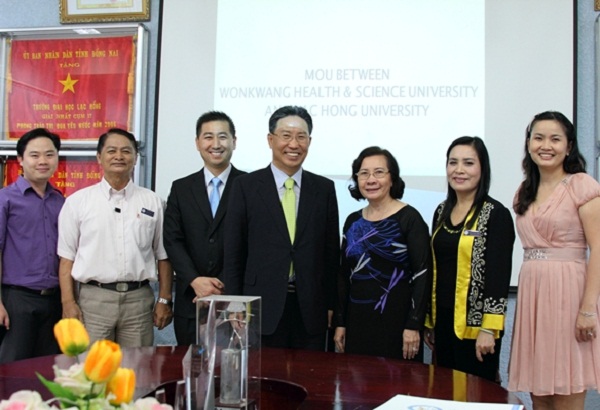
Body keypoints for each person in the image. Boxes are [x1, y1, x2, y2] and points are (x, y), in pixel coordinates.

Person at [223, 105, 340, 351]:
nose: (294, 144)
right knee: (264, 373)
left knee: (312, 372)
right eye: (286, 135)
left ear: (309, 141)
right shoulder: (245, 186)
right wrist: (234, 302)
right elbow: (234, 251)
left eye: (301, 137)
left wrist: (332, 305)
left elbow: (330, 254)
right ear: (270, 139)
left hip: (311, 307)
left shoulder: (324, 189)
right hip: (260, 305)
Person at [508, 111, 600, 409]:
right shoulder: (524, 191)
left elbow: (598, 248)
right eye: (538, 138)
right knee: (540, 398)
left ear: (568, 146)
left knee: (566, 388)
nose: (545, 146)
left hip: (569, 295)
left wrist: (588, 309)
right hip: (534, 296)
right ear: (528, 143)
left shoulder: (581, 185)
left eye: (555, 139)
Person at [57, 128, 173, 347]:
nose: (119, 156)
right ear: (99, 157)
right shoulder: (77, 202)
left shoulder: (153, 202)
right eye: (111, 151)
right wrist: (68, 302)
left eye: (126, 151)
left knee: (138, 366)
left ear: (135, 158)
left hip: (139, 302)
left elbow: (163, 256)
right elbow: (66, 259)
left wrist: (164, 299)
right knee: (93, 366)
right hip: (93, 301)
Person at [424, 136, 515, 382]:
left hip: (476, 327)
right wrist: (429, 320)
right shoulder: (441, 211)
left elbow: (499, 275)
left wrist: (489, 328)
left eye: (468, 163)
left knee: (475, 395)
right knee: (443, 391)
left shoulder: (495, 214)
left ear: (482, 168)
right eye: (453, 162)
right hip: (443, 321)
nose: (459, 170)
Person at [332, 146, 431, 361]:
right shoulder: (352, 221)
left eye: (379, 172)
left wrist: (414, 324)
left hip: (398, 325)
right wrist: (340, 322)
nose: (371, 180)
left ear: (392, 178)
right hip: (357, 322)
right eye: (363, 173)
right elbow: (343, 275)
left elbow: (422, 274)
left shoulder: (410, 219)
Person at [164, 111, 245, 345]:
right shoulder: (181, 188)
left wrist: (222, 285)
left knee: (233, 365)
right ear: (198, 143)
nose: (216, 144)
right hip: (191, 299)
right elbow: (172, 240)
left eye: (223, 137)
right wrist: (194, 279)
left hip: (235, 303)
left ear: (234, 142)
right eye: (208, 137)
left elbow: (254, 242)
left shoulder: (250, 186)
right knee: (190, 363)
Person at [0, 128, 64, 363]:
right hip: (16, 300)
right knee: (12, 370)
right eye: (34, 155)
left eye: (49, 154)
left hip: (53, 300)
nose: (42, 161)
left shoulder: (60, 201)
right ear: (20, 159)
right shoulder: (5, 199)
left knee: (49, 368)